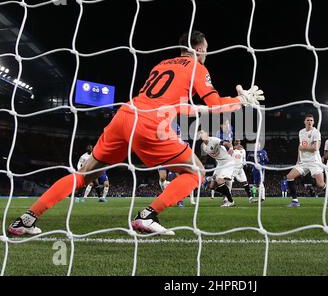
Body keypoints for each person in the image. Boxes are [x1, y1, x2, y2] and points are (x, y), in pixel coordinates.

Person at [8, 30, 264, 236]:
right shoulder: (198, 67)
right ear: (198, 49)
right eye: (206, 50)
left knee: (84, 176)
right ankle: (147, 216)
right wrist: (240, 101)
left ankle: (25, 219)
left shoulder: (162, 64)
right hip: (150, 124)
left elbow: (171, 103)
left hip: (124, 115)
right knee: (196, 171)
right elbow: (214, 104)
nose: (206, 54)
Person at [286, 114, 328, 207]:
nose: (309, 122)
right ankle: (295, 201)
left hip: (314, 162)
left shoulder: (316, 132)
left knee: (321, 184)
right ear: (304, 122)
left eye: (311, 120)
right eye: (308, 120)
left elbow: (315, 148)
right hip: (303, 162)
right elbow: (299, 147)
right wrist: (298, 160)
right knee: (289, 176)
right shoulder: (301, 132)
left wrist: (303, 148)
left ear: (313, 122)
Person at [199, 130, 236, 207]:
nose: (202, 135)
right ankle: (227, 194)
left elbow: (226, 143)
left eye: (203, 133)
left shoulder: (214, 140)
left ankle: (230, 200)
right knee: (212, 186)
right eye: (200, 134)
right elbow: (206, 157)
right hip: (219, 164)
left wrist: (231, 148)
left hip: (227, 162)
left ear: (207, 134)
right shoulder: (203, 146)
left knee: (220, 180)